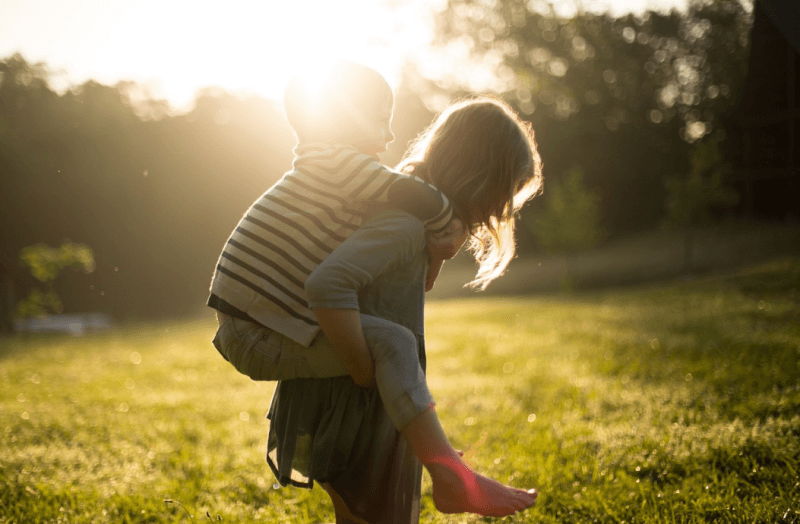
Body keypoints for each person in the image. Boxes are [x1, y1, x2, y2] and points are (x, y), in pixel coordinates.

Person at [267, 96, 544, 522]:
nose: (501, 209)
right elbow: (327, 284)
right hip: (356, 394)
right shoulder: (405, 224)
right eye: (502, 192)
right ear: (476, 177)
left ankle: (449, 472)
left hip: (367, 391)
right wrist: (363, 370)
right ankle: (453, 478)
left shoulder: (413, 220)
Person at [207, 60, 465, 436]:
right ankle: (429, 449)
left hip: (253, 326)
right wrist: (450, 228)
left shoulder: (324, 168)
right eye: (382, 120)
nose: (391, 134)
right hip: (256, 333)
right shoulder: (338, 164)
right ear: (347, 119)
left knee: (389, 343)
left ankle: (416, 440)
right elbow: (416, 195)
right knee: (394, 344)